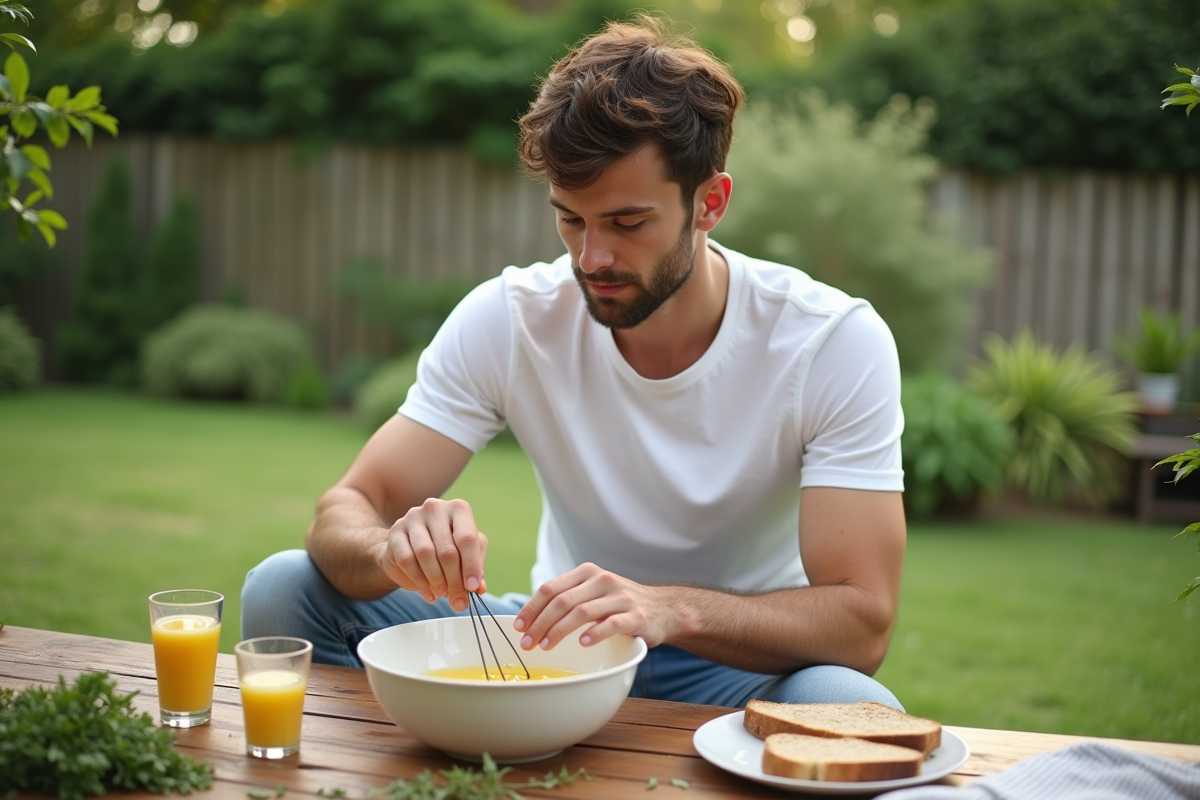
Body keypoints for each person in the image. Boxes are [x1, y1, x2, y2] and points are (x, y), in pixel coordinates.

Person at [241, 15, 907, 710]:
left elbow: (863, 622)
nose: (591, 259)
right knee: (284, 587)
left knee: (848, 699)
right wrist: (390, 552)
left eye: (626, 223)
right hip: (552, 643)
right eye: (570, 219)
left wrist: (669, 610)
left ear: (709, 203)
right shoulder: (511, 316)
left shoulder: (831, 340)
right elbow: (348, 508)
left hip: (732, 664)